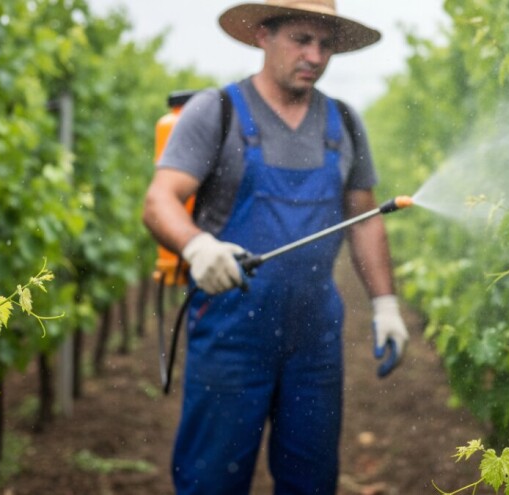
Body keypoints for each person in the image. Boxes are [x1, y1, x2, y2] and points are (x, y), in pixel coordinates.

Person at [141, 1, 409, 493]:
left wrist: (386, 303)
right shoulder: (217, 111)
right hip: (230, 333)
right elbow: (159, 201)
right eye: (301, 39)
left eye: (326, 45)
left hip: (314, 338)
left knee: (311, 480)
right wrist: (198, 246)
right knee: (210, 480)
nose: (315, 55)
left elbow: (365, 220)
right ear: (264, 34)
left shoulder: (344, 124)